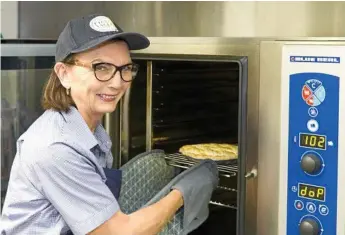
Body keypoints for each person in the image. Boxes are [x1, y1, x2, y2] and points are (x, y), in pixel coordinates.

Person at [1, 14, 218, 235]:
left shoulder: (91, 131)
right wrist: (183, 192)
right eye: (101, 67)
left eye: (125, 68)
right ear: (64, 74)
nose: (117, 83)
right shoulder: (55, 148)